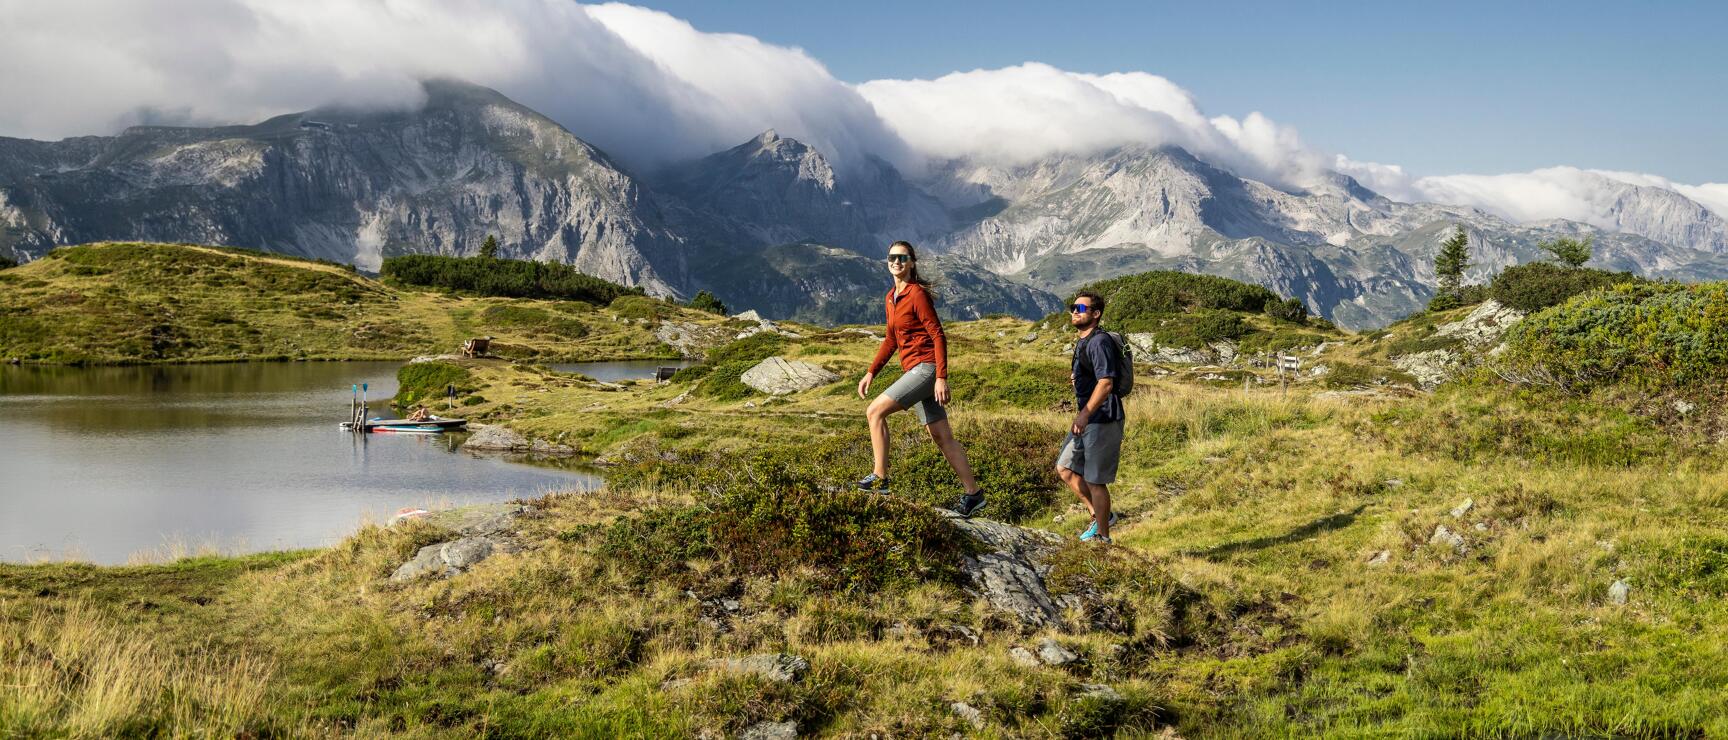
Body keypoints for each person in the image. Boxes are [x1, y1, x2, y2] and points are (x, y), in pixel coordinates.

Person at [855, 241, 987, 517]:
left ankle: (880, 478)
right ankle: (974, 494)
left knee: (875, 411)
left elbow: (938, 334)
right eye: (892, 257)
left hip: (926, 369)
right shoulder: (891, 297)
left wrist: (941, 377)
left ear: (912, 263)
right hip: (914, 370)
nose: (897, 261)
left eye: (903, 257)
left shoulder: (917, 294)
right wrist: (870, 372)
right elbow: (891, 339)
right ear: (887, 261)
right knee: (941, 436)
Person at [1056, 291, 1125, 543]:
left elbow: (1106, 383)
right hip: (1087, 418)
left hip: (1102, 418)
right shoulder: (1084, 340)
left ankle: (1103, 540)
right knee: (1065, 468)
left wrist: (1084, 415)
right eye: (1073, 307)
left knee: (1096, 481)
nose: (1074, 311)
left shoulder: (1098, 341)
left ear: (1095, 314)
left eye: (1080, 308)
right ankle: (1100, 515)